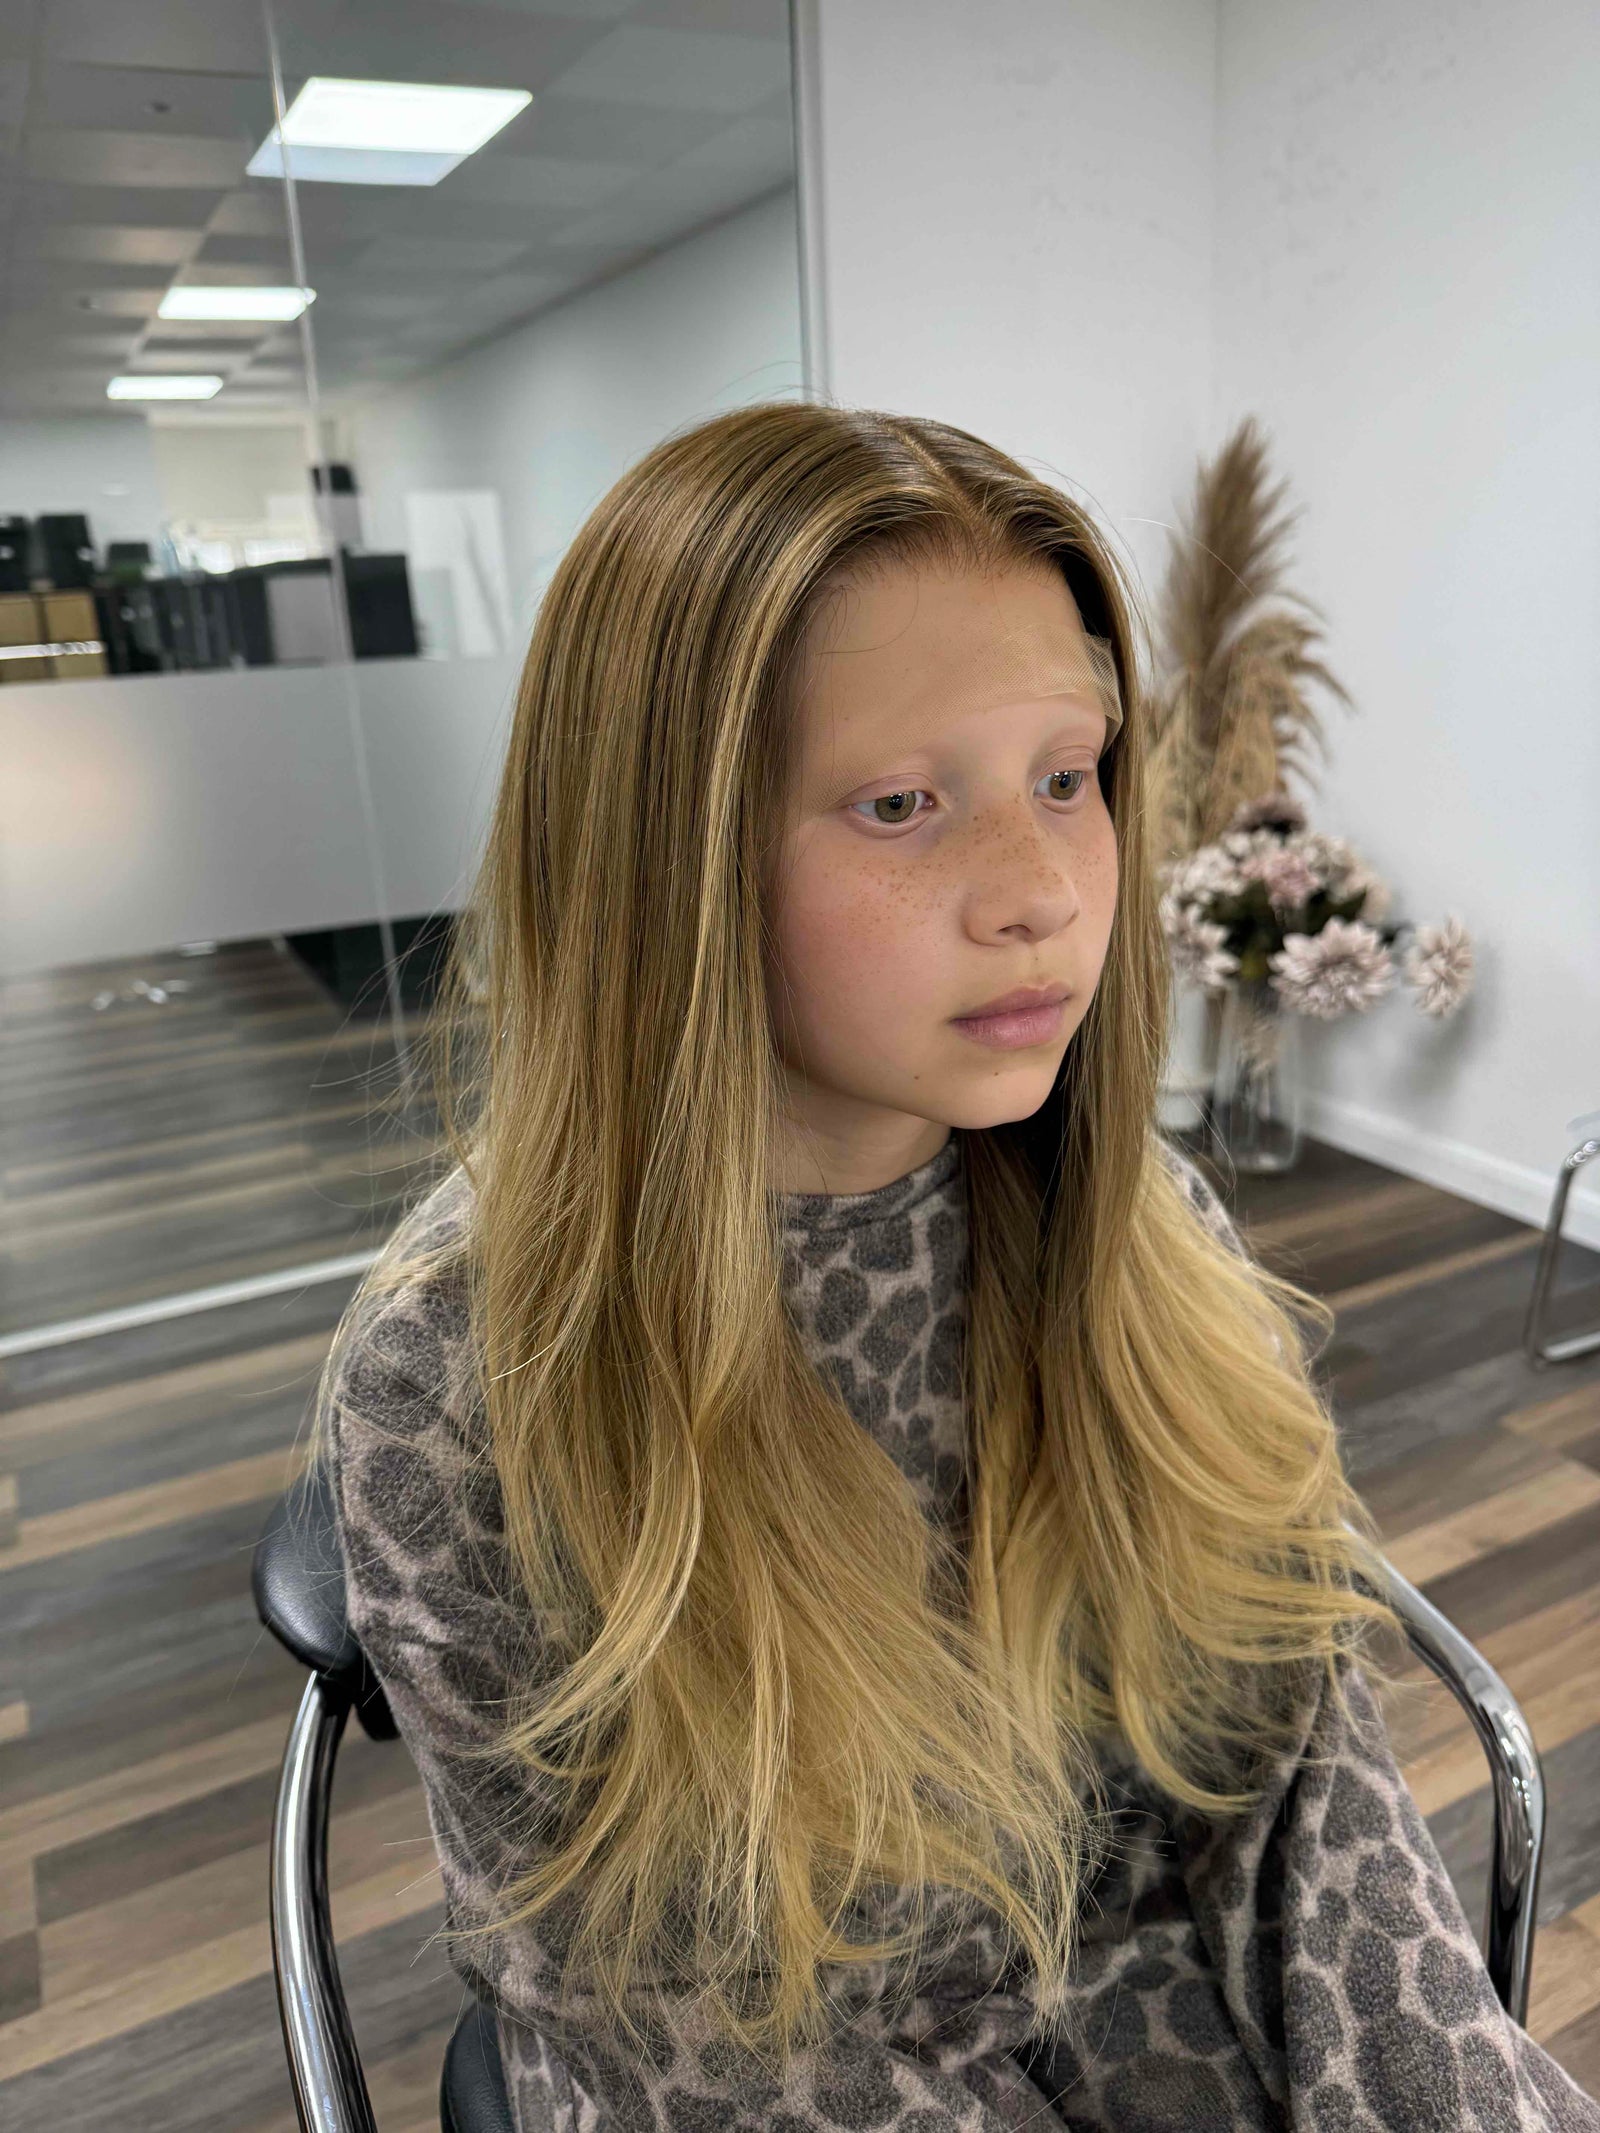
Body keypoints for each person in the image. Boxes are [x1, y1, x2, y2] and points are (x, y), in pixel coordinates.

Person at [312, 402, 1599, 2133]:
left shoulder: (1138, 1224)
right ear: (668, 856)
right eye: (905, 803)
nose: (1044, 894)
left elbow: (1305, 1800)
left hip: (1159, 2013)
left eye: (1068, 778)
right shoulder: (470, 1381)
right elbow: (732, 2054)